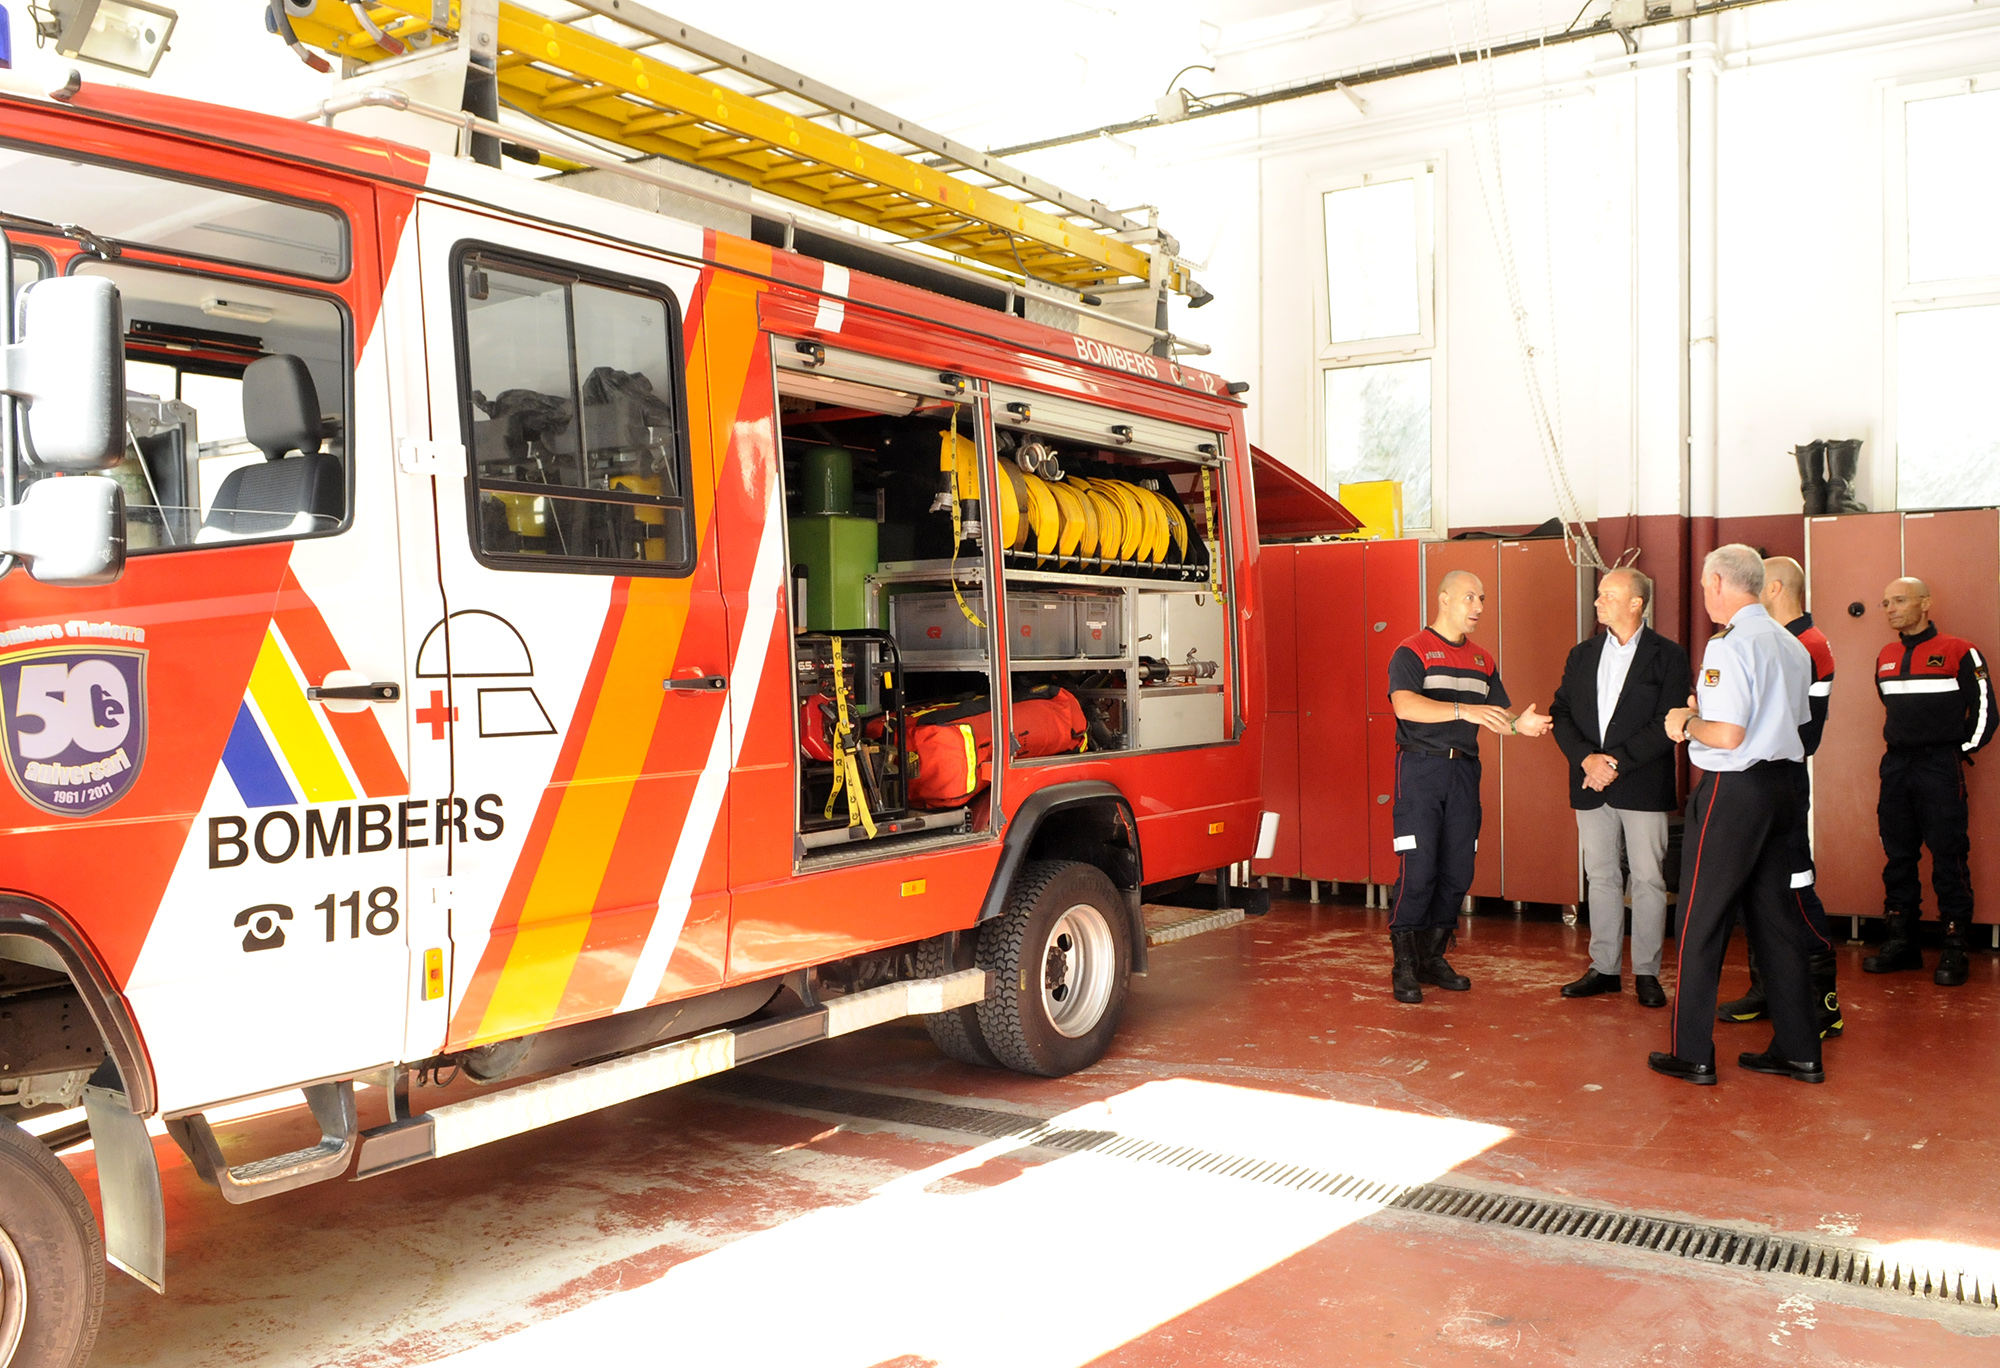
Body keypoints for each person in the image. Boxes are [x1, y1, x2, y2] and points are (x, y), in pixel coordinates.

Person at [1651, 544, 1822, 1086]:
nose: (1704, 594)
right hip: (1782, 789)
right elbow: (1790, 721)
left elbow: (1728, 734)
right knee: (1776, 920)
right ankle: (1800, 1050)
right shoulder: (1792, 645)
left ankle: (1692, 1052)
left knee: (1700, 919)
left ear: (1721, 583)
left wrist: (1683, 722)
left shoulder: (1727, 646)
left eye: (1705, 585)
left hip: (1734, 789)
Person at [1385, 569, 1553, 1004]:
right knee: (1418, 869)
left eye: (1481, 599)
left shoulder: (1483, 660)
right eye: (1469, 598)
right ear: (1443, 599)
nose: (1478, 607)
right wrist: (1464, 711)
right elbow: (1405, 705)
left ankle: (1432, 956)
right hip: (1420, 770)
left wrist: (1521, 724)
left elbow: (1498, 716)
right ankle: (1403, 962)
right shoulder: (1412, 651)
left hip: (1464, 773)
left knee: (1458, 869)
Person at [1549, 568, 1689, 1009]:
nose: (1597, 602)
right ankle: (1604, 968)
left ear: (1636, 602)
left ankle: (1646, 972)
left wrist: (1613, 764)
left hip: (1642, 782)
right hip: (1590, 781)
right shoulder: (1582, 654)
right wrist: (1586, 759)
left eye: (1608, 595)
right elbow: (1561, 712)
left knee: (1647, 878)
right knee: (1601, 876)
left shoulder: (1668, 655)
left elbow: (1667, 722)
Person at [1717, 557, 1843, 1037]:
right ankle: (1767, 990)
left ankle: (1822, 1002)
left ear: (1772, 588)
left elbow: (1802, 734)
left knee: (1794, 888)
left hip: (1783, 782)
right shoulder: (1772, 640)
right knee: (1759, 887)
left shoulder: (1805, 644)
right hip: (1757, 782)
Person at [1864, 577, 1996, 986]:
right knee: (1898, 855)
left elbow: (1986, 711)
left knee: (1948, 854)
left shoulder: (1960, 650)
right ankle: (1902, 942)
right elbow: (1891, 706)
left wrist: (1958, 752)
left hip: (1940, 766)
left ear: (1926, 603)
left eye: (1899, 600)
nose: (1890, 608)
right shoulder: (1885, 655)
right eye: (1885, 602)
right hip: (1896, 767)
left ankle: (1954, 948)